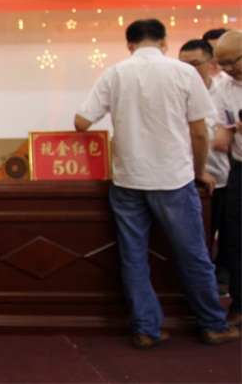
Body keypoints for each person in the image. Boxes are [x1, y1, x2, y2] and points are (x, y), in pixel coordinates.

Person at [74, 19, 239, 349]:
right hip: (173, 178)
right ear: (164, 42)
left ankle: (145, 329)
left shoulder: (114, 73)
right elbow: (199, 132)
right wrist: (199, 170)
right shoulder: (184, 73)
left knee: (134, 256)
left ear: (129, 45)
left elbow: (81, 122)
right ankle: (212, 325)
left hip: (127, 179)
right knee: (193, 254)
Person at [179, 39, 231, 291]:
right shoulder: (176, 90)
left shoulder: (224, 91)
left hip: (222, 175)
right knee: (197, 239)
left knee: (228, 236)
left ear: (212, 63)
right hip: (186, 177)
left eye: (195, 64)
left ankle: (222, 281)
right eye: (183, 65)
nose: (188, 70)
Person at [210, 30, 242, 329]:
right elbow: (223, 125)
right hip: (239, 168)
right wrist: (226, 132)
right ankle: (239, 304)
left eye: (233, 61)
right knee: (235, 238)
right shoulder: (223, 87)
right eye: (223, 64)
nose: (229, 68)